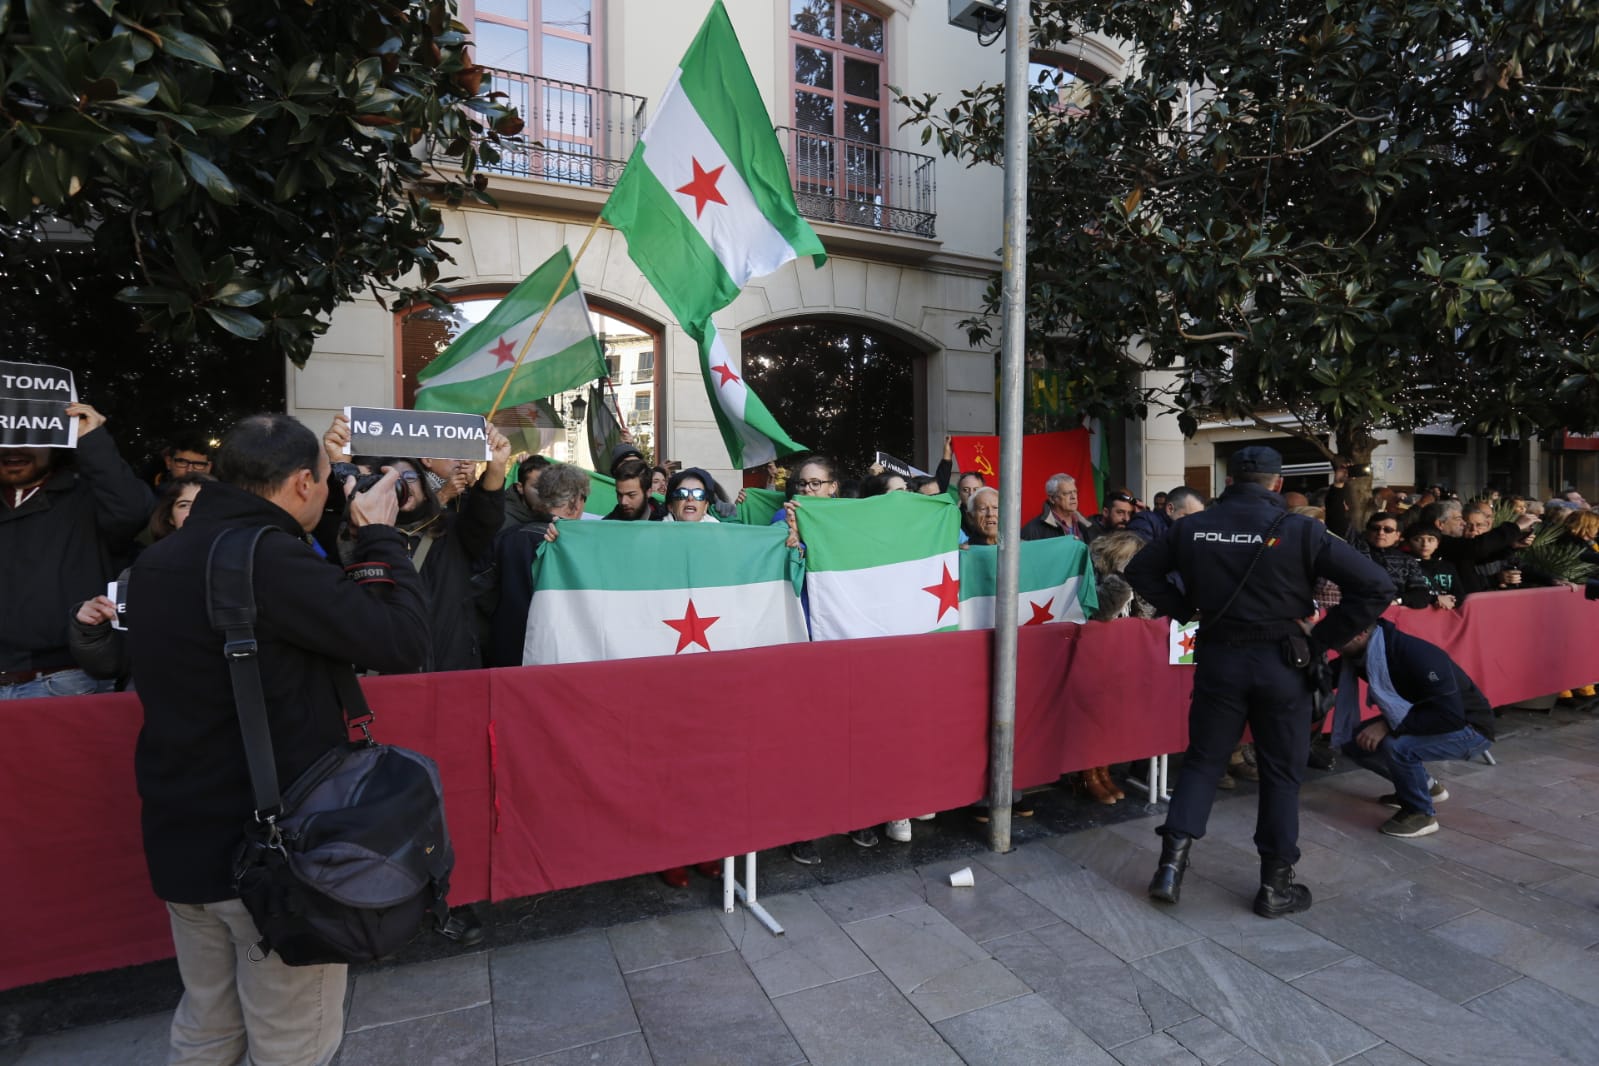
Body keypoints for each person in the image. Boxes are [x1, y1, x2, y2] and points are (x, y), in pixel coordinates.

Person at [128, 413, 429, 1066]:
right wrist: (380, 537)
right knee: (292, 1039)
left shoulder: (158, 561)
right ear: (300, 482)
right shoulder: (269, 563)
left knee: (207, 1023)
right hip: (273, 855)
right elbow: (402, 641)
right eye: (323, 482)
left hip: (183, 840)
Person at [1124, 445, 1393, 919]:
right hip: (1283, 661)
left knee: (1204, 763)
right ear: (1276, 484)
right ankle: (1275, 886)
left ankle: (1169, 869)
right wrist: (1322, 640)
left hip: (1219, 656)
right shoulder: (1302, 528)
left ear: (1228, 482)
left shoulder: (1192, 526)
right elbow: (1377, 585)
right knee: (1282, 774)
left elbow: (1139, 570)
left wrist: (1185, 610)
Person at [1, 402, 153, 699]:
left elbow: (132, 512)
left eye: (27, 440)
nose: (13, 451)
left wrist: (91, 440)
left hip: (67, 682)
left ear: (55, 441)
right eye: (5, 441)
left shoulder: (87, 497)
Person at [1330, 620, 1493, 837]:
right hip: (1427, 716)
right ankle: (1423, 787)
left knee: (1397, 746)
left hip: (1469, 728)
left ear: (1359, 634)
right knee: (1353, 741)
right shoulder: (1365, 652)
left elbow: (1449, 716)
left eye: (1336, 641)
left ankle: (1420, 813)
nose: (1333, 647)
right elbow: (1326, 675)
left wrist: (1389, 725)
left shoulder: (1415, 654)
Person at [489, 463, 590, 668]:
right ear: (576, 501)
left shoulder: (507, 537)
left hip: (506, 652)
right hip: (556, 656)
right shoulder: (573, 546)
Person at [1020, 473, 1096, 542]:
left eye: (1075, 492)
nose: (1073, 497)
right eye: (1066, 493)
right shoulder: (1033, 530)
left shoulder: (1086, 525)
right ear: (1052, 499)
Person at [1407, 526, 1463, 608]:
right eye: (1418, 539)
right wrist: (1435, 599)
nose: (1425, 544)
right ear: (1408, 543)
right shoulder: (1404, 565)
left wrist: (1452, 602)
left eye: (1431, 540)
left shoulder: (1447, 566)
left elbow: (1459, 593)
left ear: (1437, 543)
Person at [1128, 486, 1206, 542]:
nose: (1194, 523)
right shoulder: (1144, 523)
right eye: (1189, 517)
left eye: (1198, 518)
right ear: (1170, 509)